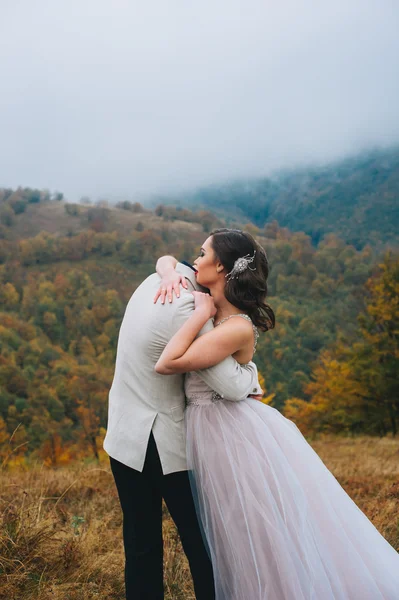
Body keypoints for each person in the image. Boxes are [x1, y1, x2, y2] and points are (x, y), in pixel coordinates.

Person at [154, 228, 399, 600]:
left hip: (229, 433)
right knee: (228, 530)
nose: (196, 259)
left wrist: (198, 314)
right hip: (210, 427)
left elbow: (168, 362)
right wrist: (170, 274)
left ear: (220, 266)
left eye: (202, 254)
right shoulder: (209, 296)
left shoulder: (235, 326)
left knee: (250, 529)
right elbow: (166, 261)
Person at [103, 256, 263, 600]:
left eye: (202, 252)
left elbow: (167, 258)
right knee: (204, 543)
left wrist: (165, 267)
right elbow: (233, 386)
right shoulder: (190, 309)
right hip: (166, 443)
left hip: (123, 433)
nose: (197, 256)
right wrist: (251, 374)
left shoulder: (155, 282)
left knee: (140, 542)